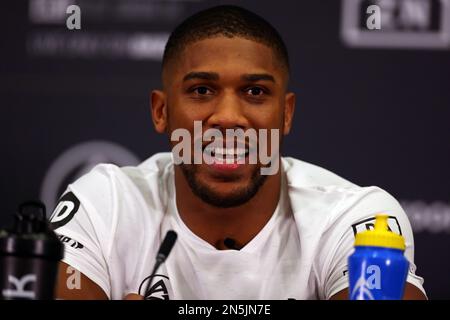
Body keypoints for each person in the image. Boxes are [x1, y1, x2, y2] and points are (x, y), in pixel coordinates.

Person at [52, 5, 426, 300]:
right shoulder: (105, 205)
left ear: (286, 114)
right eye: (201, 90)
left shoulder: (356, 219)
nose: (229, 118)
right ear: (161, 111)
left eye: (255, 92)